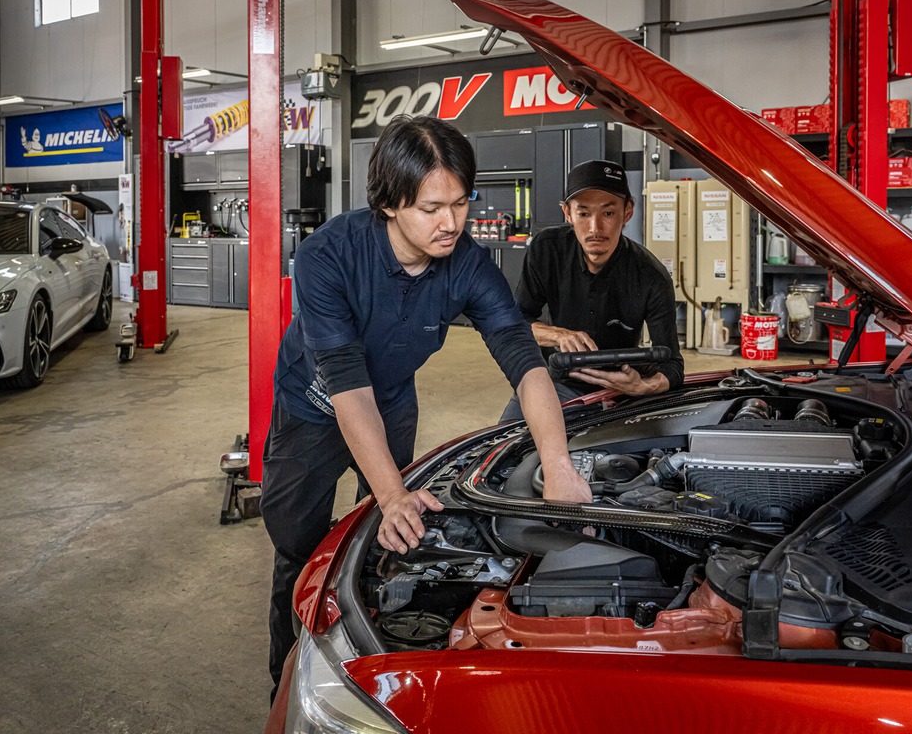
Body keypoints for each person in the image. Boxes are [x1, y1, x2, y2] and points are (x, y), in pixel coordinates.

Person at [260, 115, 591, 701]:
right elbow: (345, 382)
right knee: (298, 546)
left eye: (461, 204)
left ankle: (375, 656)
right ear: (389, 203)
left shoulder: (464, 262)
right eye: (431, 208)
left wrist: (559, 464)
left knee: (397, 536)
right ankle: (287, 680)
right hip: (314, 408)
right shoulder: (327, 256)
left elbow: (523, 359)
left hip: (390, 402)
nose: (451, 224)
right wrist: (389, 492)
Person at [500, 160, 683, 422]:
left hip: (620, 391)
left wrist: (643, 387)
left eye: (608, 214)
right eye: (583, 214)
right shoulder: (547, 250)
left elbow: (673, 366)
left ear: (627, 211)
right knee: (501, 448)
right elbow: (517, 323)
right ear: (567, 213)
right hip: (554, 383)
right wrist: (559, 336)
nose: (595, 229)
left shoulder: (650, 276)